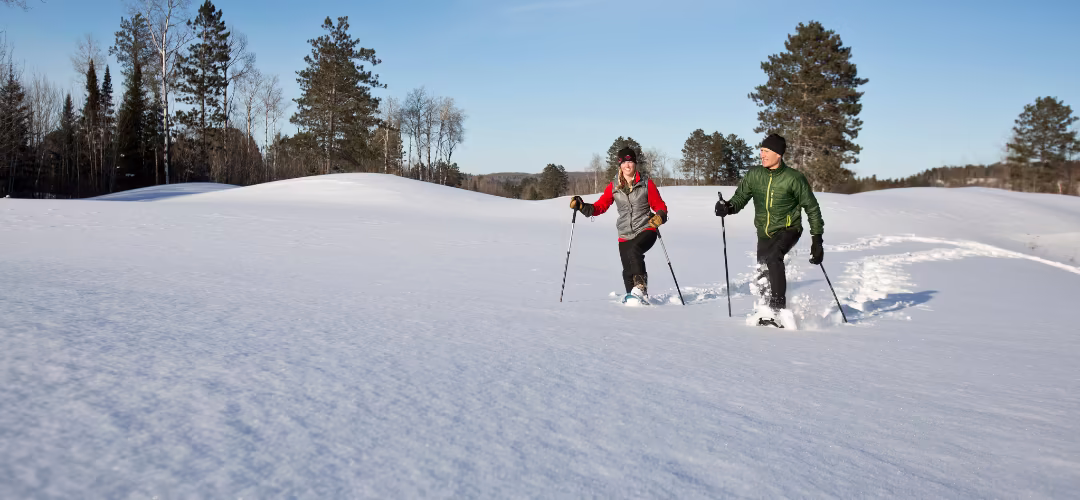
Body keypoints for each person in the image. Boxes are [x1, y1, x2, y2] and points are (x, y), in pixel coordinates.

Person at [714, 133, 824, 327]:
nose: (761, 155)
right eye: (761, 151)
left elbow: (812, 208)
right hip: (764, 233)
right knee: (763, 273)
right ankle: (766, 313)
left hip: (789, 228)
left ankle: (778, 310)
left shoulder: (794, 178)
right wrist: (728, 207)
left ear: (778, 154)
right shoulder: (754, 175)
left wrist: (817, 240)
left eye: (766, 151)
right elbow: (740, 198)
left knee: (774, 258)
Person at [570, 147, 668, 302]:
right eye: (624, 162)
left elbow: (660, 206)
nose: (627, 165)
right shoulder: (614, 187)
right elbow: (600, 206)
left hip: (646, 228)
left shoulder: (646, 184)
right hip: (624, 233)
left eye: (630, 161)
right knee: (627, 271)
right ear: (619, 165)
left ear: (635, 164)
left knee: (635, 251)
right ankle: (634, 301)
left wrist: (660, 217)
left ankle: (641, 288)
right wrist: (582, 206)